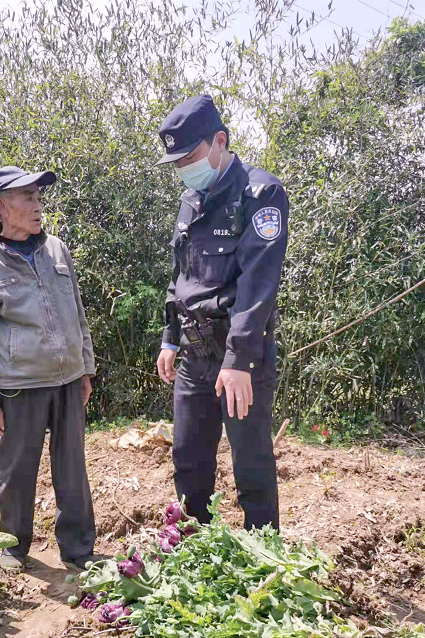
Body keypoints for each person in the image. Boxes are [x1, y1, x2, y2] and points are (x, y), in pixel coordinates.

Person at [155, 95, 288, 530]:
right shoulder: (192, 199)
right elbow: (180, 274)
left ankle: (264, 563)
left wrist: (238, 361)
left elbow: (258, 283)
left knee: (251, 464)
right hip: (194, 355)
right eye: (176, 164)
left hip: (239, 355)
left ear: (220, 141)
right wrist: (170, 338)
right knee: (189, 461)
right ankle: (193, 556)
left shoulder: (260, 193)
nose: (183, 171)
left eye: (189, 158)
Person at [0, 166, 96, 571]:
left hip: (68, 379)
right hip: (19, 385)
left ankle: (78, 547)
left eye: (39, 197)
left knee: (72, 465)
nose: (38, 207)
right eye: (28, 198)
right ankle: (13, 545)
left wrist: (85, 367)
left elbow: (77, 313)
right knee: (17, 468)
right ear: (1, 206)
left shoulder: (56, 250)